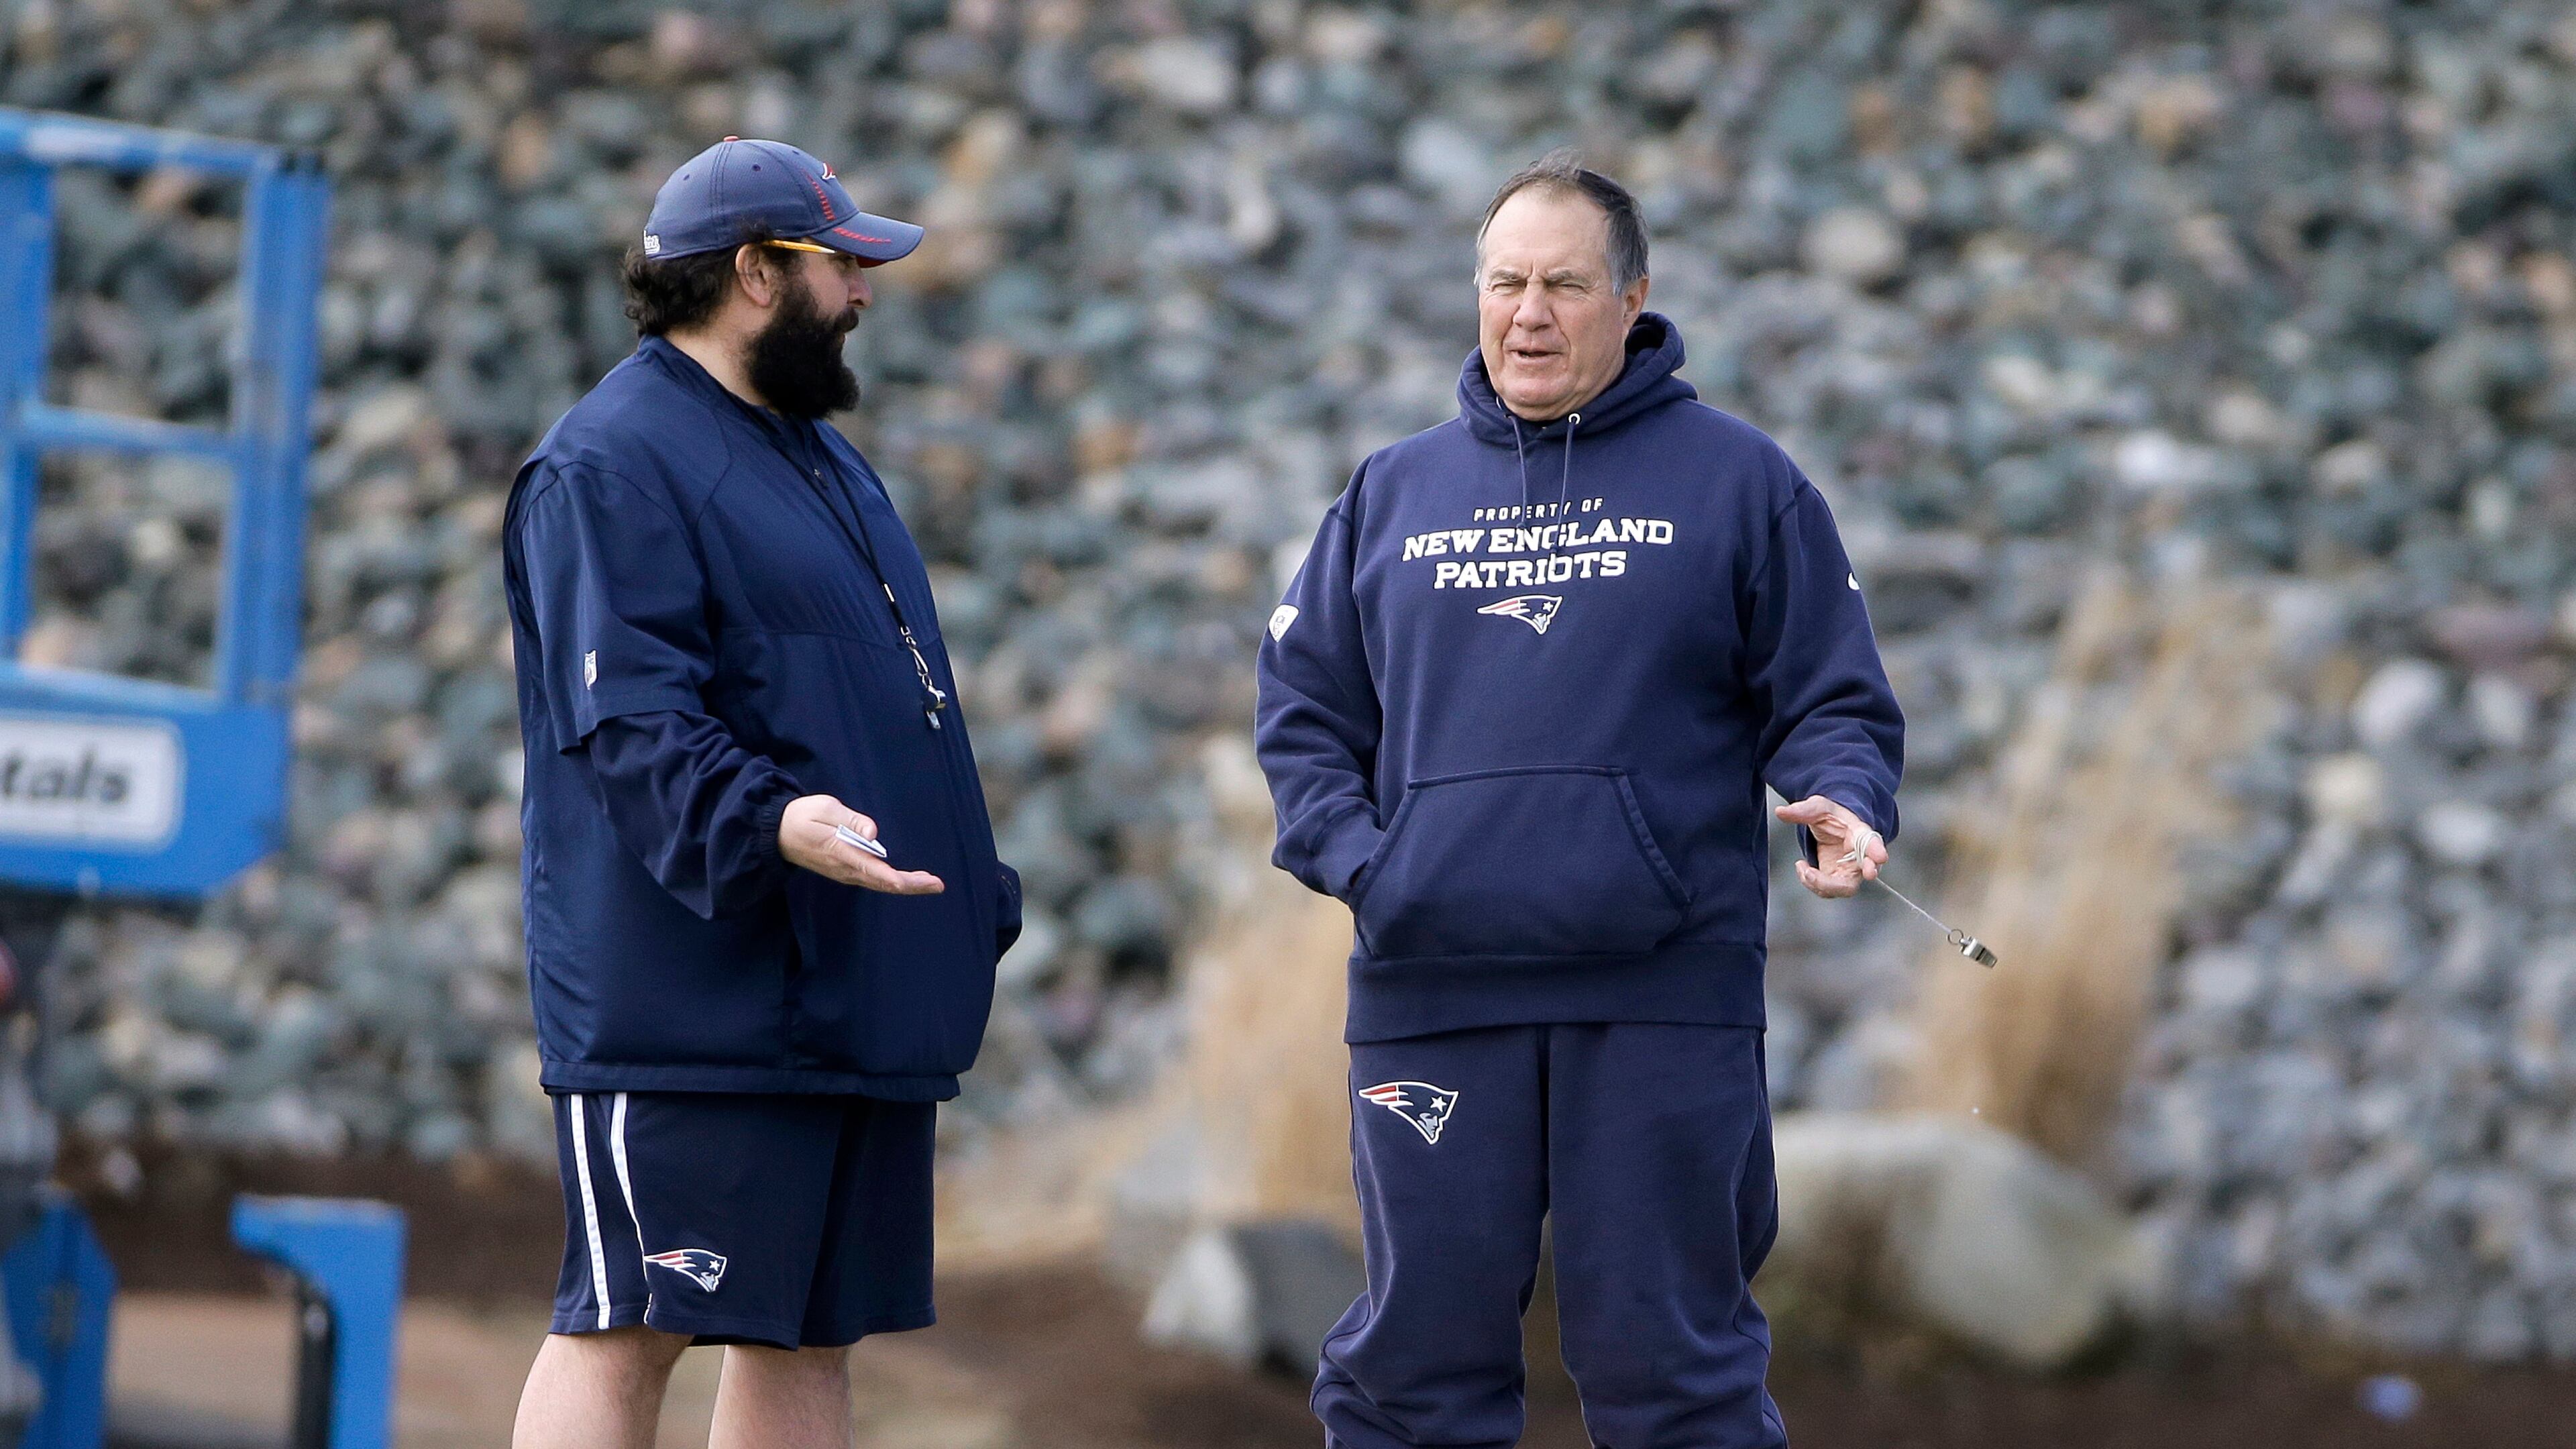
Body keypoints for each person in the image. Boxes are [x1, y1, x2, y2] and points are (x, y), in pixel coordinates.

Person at [1256, 151, 1904, 1449]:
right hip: (1433, 991)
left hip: (1661, 996)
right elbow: (1304, 716)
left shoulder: (1741, 483)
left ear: (1635, 297)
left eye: (1562, 283)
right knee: (1408, 1380)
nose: (1528, 314)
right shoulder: (1393, 493)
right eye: (1505, 283)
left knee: (1676, 1375)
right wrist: (1375, 869)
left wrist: (1843, 794)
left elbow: (1832, 696)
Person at [502, 138, 1019, 1449]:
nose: (862, 293)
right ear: (752, 273)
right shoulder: (611, 463)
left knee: (804, 1334)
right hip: (700, 1003)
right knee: (627, 1326)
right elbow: (628, 721)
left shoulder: (820, 460)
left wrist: (977, 900)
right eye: (841, 266)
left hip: (848, 988)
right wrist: (773, 821)